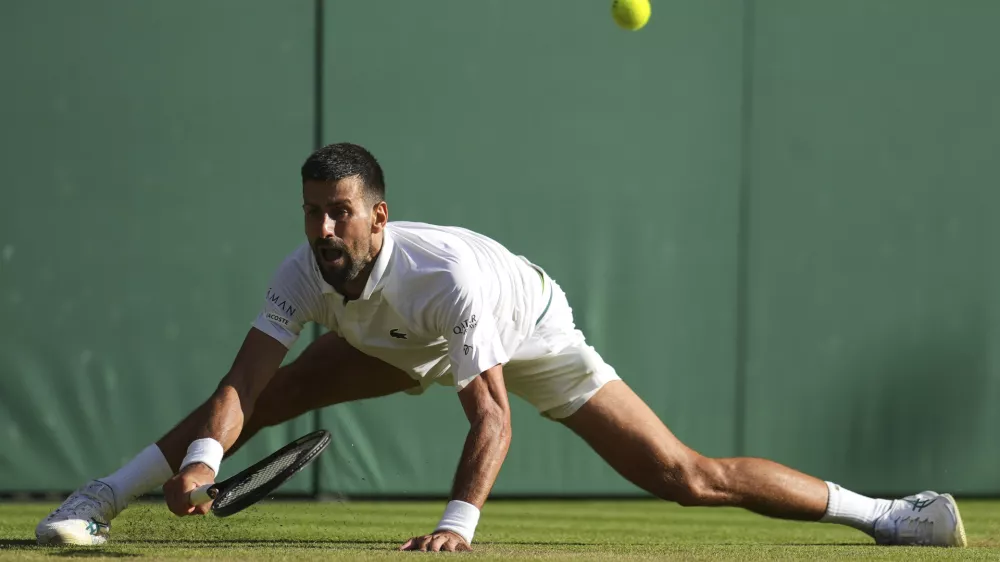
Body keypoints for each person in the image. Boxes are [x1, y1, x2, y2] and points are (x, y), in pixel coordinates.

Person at [36, 143, 967, 551]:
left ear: (377, 216)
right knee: (259, 400)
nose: (323, 228)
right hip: (390, 342)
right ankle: (97, 502)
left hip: (520, 330)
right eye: (313, 213)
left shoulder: (450, 279)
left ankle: (888, 514)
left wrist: (456, 525)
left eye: (341, 213)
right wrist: (201, 460)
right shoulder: (300, 270)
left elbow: (491, 415)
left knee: (686, 474)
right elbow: (241, 383)